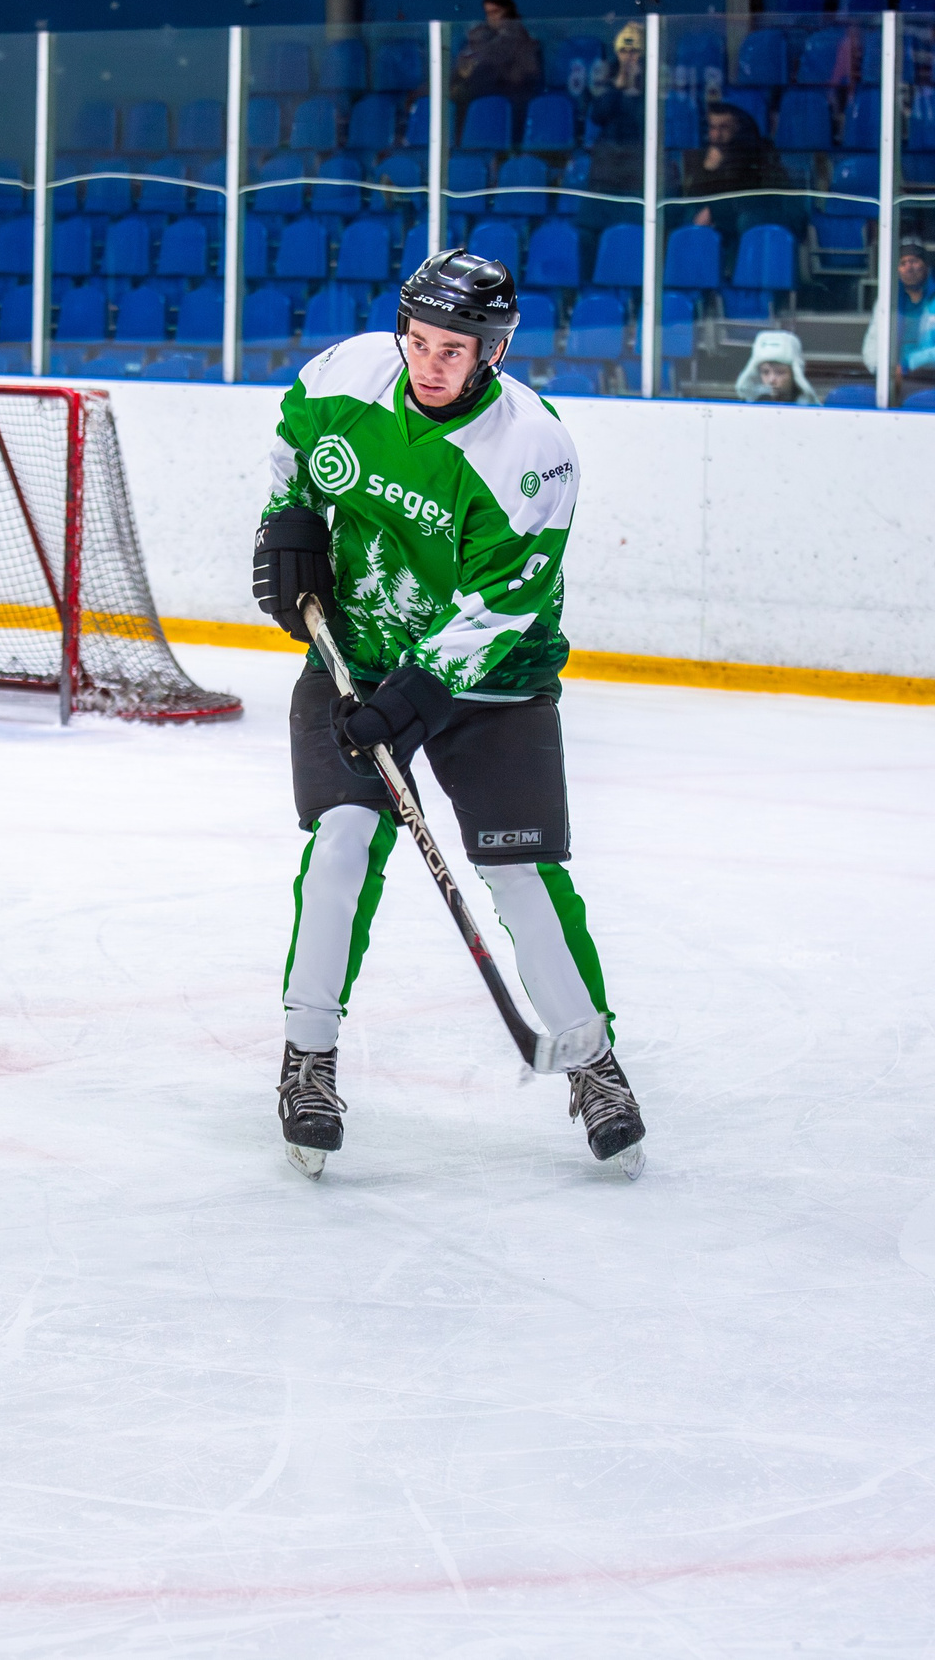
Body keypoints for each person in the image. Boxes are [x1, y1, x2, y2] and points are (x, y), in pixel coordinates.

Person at [246, 247, 645, 1179]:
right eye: (419, 341)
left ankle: (591, 1060)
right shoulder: (347, 375)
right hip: (356, 655)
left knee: (520, 876)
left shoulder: (530, 455)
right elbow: (292, 449)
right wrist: (289, 521)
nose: (429, 363)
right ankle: (308, 1057)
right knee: (342, 845)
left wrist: (418, 697)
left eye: (452, 350)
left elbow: (505, 604)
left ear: (491, 354)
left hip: (491, 683)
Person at [860, 236, 935, 391]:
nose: (909, 267)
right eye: (903, 263)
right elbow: (872, 343)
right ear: (897, 269)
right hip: (894, 377)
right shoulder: (887, 300)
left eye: (914, 261)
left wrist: (908, 365)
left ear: (926, 265)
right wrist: (882, 371)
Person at [681, 101, 779, 238]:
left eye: (723, 128)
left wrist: (713, 212)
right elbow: (693, 198)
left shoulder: (753, 153)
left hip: (740, 217)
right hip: (714, 216)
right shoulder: (705, 155)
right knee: (688, 215)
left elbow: (744, 198)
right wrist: (707, 170)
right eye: (712, 127)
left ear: (737, 127)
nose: (716, 134)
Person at [580, 22, 649, 195]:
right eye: (624, 52)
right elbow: (597, 116)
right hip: (610, 162)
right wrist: (617, 87)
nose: (628, 57)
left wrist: (637, 86)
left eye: (634, 52)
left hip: (637, 158)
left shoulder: (651, 84)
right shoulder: (609, 83)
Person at [449, 0, 541, 110]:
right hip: (478, 100)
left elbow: (521, 75)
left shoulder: (524, 42)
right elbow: (461, 69)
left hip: (509, 102)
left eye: (496, 12)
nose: (492, 18)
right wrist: (462, 73)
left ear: (508, 11)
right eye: (488, 13)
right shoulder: (480, 37)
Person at [734, 329, 821, 404]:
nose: (771, 380)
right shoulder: (748, 407)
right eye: (765, 372)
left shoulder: (808, 408)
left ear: (794, 374)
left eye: (780, 372)